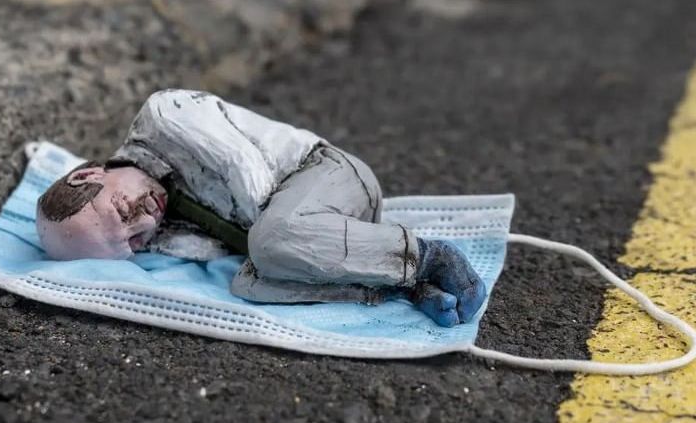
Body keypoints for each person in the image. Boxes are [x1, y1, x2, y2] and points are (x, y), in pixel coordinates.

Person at [35, 89, 486, 327]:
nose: (146, 220)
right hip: (321, 244)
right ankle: (401, 289)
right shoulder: (163, 231)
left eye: (122, 210)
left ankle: (428, 256)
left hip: (328, 176)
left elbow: (242, 163)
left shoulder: (163, 117)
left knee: (268, 245)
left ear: (88, 175)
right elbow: (228, 253)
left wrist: (270, 240)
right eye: (133, 243)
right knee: (247, 284)